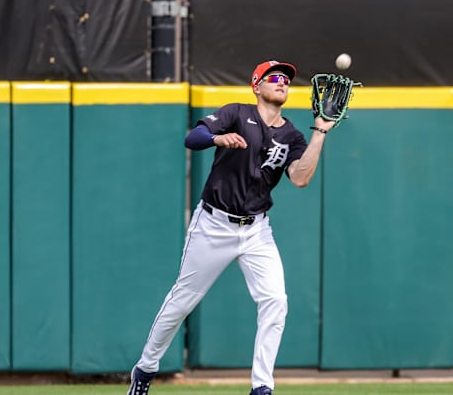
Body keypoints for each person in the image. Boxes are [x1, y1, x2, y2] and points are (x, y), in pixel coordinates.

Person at [127, 60, 337, 395]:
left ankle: (262, 387)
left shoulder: (293, 135)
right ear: (257, 86)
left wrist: (321, 130)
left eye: (286, 79)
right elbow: (192, 138)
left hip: (256, 230)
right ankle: (146, 367)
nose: (282, 82)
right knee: (182, 300)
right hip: (213, 224)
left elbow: (300, 178)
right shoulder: (236, 113)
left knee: (275, 300)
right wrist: (216, 138)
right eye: (274, 77)